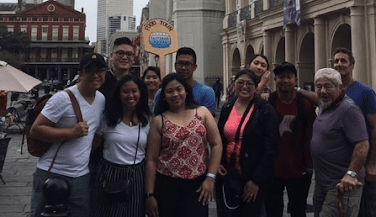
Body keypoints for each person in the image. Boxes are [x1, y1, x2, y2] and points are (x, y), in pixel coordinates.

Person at [29, 53, 106, 217]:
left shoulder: (101, 100)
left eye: (100, 70)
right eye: (90, 71)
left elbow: (96, 135)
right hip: (51, 171)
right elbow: (36, 129)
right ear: (81, 73)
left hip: (81, 176)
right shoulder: (62, 98)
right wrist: (71, 133)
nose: (96, 75)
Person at [145, 73, 222, 217]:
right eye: (169, 91)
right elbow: (151, 159)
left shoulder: (202, 113)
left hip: (197, 185)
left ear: (186, 91)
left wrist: (211, 177)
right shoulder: (159, 120)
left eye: (178, 89)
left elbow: (216, 144)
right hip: (167, 185)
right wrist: (150, 195)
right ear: (164, 96)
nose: (175, 94)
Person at [216, 69, 279, 217]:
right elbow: (219, 140)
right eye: (240, 83)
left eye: (249, 84)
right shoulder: (227, 107)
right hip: (229, 174)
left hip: (252, 175)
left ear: (256, 86)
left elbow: (270, 148)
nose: (244, 87)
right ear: (234, 85)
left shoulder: (265, 111)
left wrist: (256, 180)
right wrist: (217, 162)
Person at [311, 68, 369, 217]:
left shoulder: (349, 109)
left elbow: (362, 144)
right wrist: (297, 91)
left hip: (342, 185)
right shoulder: (325, 105)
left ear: (340, 88)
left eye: (328, 86)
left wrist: (351, 174)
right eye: (319, 86)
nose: (323, 91)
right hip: (323, 183)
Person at [92, 75, 151, 217]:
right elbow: (92, 146)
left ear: (140, 93)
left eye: (134, 91)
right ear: (119, 94)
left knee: (134, 213)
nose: (130, 95)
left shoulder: (148, 119)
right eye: (125, 91)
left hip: (137, 175)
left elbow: (151, 155)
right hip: (109, 173)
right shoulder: (107, 119)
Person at [265, 62, 316, 217]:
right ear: (275, 79)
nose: (285, 80)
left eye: (289, 77)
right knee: (273, 211)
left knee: (298, 210)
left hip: (299, 169)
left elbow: (312, 134)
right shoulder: (268, 103)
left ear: (295, 80)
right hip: (273, 169)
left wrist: (310, 165)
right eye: (281, 77)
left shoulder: (305, 104)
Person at [333, 47, 376, 216]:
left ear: (352, 66)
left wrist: (373, 164)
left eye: (343, 61)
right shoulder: (332, 92)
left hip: (363, 166)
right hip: (338, 167)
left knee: (364, 209)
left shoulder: (365, 92)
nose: (339, 64)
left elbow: (375, 127)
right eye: (336, 61)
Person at [154, 47, 216, 114]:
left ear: (194, 67)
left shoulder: (206, 93)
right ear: (175, 66)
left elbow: (207, 120)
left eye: (187, 64)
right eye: (180, 63)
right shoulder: (162, 93)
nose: (183, 68)